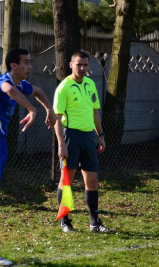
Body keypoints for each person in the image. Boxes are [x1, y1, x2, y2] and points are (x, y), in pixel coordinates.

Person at [0, 48, 57, 265]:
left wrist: (48, 109)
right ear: (13, 66)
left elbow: (37, 91)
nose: (30, 66)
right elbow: (9, 91)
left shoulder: (21, 84)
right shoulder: (1, 80)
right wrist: (32, 110)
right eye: (26, 62)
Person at [53, 51, 114, 233]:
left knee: (92, 181)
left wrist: (100, 135)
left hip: (89, 137)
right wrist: (61, 144)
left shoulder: (90, 84)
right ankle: (65, 221)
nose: (82, 68)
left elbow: (95, 112)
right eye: (78, 65)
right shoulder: (64, 87)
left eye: (85, 65)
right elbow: (57, 118)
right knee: (67, 181)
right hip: (71, 136)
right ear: (71, 65)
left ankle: (94, 223)